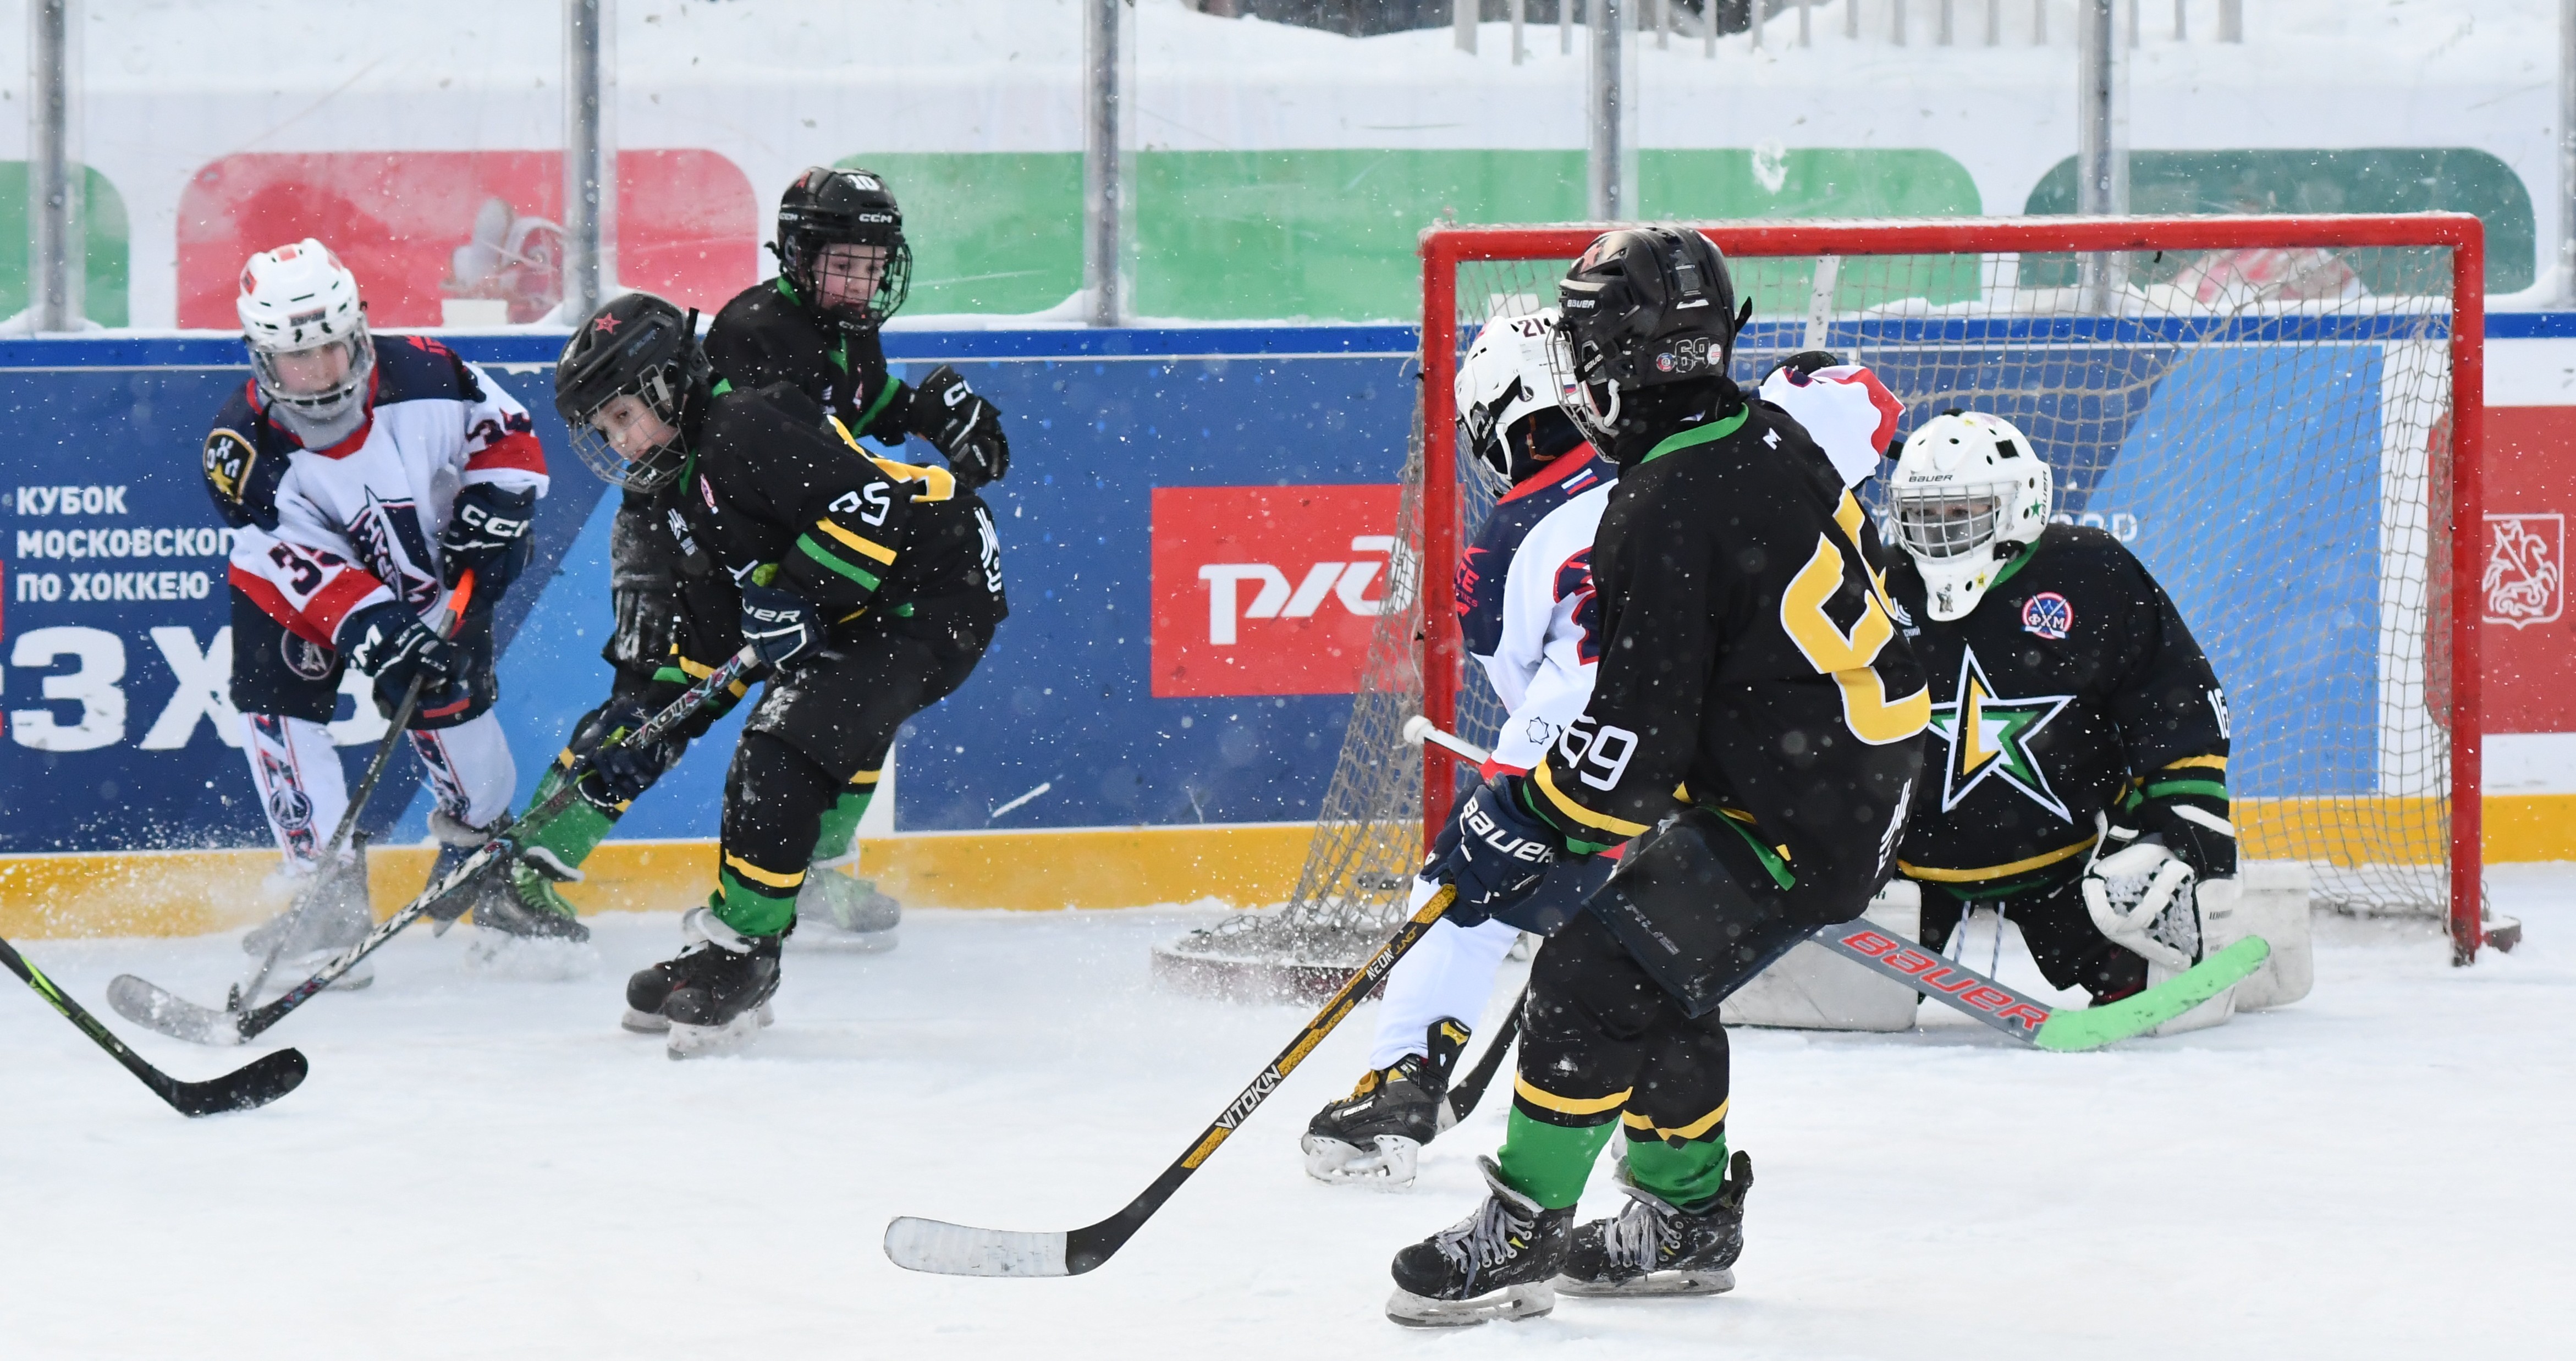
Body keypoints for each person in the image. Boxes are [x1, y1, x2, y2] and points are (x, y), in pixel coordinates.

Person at [1383, 228, 1928, 1326]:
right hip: (1844, 777)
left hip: (1798, 806)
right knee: (1655, 960)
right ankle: (1682, 1217)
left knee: (1589, 969)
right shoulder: (1759, 432)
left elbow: (1628, 757)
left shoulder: (1660, 506)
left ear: (1610, 359)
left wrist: (1521, 816)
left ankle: (1520, 1230)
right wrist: (1547, 818)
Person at [1304, 316, 1905, 1190]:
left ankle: (1406, 1084)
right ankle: (1660, 1150)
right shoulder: (1726, 444)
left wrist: (1542, 802)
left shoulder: (1508, 537)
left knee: (1465, 890)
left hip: (1599, 742)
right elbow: (1872, 409)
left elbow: (1520, 676)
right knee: (1649, 949)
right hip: (1763, 746)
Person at [489, 166, 1012, 948]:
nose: (861, 280)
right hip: (681, 528)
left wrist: (920, 409)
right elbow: (734, 453)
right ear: (798, 256)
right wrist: (777, 587)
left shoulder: (847, 323)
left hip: (763, 535)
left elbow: (844, 420)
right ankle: (530, 867)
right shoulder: (756, 337)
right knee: (661, 698)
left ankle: (815, 868)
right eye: (843, 261)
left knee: (853, 697)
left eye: (873, 264)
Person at [549, 291, 1006, 1057]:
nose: (622, 443)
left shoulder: (743, 424)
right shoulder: (682, 488)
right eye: (606, 430)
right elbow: (714, 647)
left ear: (668, 385)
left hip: (937, 592)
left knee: (779, 749)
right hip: (876, 606)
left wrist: (798, 592)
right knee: (774, 742)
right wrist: (646, 727)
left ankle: (744, 957)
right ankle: (731, 939)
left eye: (625, 416)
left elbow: (874, 507)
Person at [200, 238, 563, 985]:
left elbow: (509, 433)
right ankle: (325, 892)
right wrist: (365, 620)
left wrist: (497, 506)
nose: (319, 373)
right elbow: (288, 557)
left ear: (357, 329)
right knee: (276, 708)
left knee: (450, 709)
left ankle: (486, 862)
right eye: (297, 360)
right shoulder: (243, 451)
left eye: (331, 350)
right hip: (297, 600)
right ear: (262, 357)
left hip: (432, 576)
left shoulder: (430, 370)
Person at [1877, 410, 2237, 1009]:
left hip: (2064, 866)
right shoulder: (1878, 581)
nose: (1940, 532)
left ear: (2020, 504)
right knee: (1848, 1003)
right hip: (1901, 872)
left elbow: (2169, 695)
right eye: (1924, 515)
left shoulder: (2089, 572)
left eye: (1962, 512)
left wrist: (2180, 815)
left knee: (2139, 985)